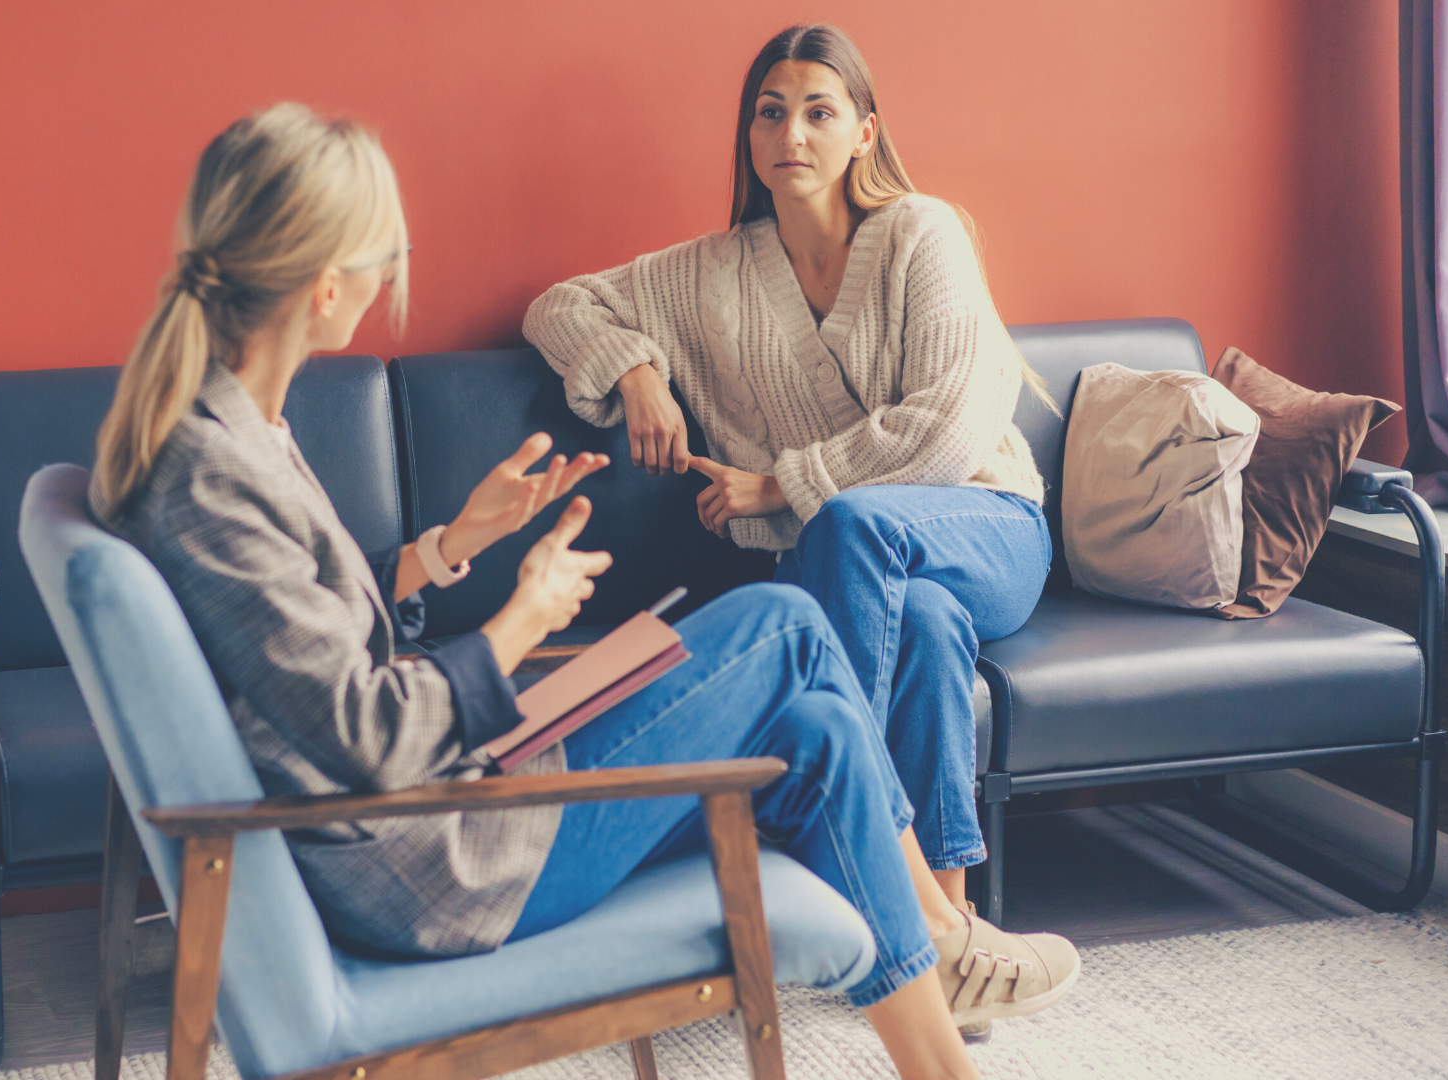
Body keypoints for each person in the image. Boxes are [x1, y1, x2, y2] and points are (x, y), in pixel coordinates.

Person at [92, 102, 1073, 1080]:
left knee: (815, 731)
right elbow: (364, 730)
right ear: (322, 282)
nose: (392, 272)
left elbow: (308, 636)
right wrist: (524, 620)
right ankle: (942, 937)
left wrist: (459, 540)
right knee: (785, 624)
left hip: (445, 806)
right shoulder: (207, 470)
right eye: (381, 251)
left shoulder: (234, 430)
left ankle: (940, 1050)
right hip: (440, 865)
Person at [524, 25, 1062, 1022]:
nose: (792, 132)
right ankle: (945, 931)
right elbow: (560, 307)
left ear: (864, 131)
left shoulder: (923, 233)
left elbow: (949, 426)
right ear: (750, 133)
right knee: (929, 626)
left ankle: (841, 851)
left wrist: (781, 485)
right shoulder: (713, 272)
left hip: (988, 523)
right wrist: (638, 372)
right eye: (771, 111)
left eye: (819, 110)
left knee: (855, 529)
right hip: (879, 567)